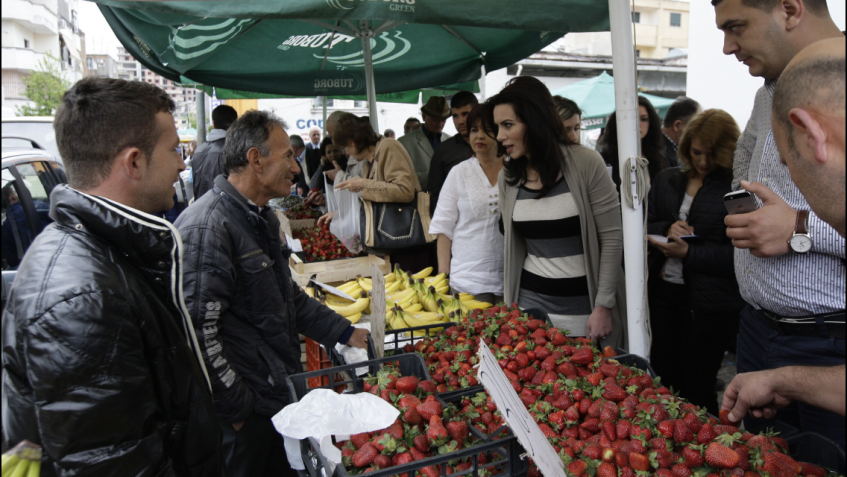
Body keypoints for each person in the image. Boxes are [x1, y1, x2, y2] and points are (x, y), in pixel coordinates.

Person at [2, 76, 223, 473]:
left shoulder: (102, 253)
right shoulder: (85, 298)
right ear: (134, 162)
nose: (182, 164)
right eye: (174, 149)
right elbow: (113, 461)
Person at [175, 110, 369, 477]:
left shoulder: (257, 216)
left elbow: (286, 296)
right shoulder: (209, 228)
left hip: (271, 395)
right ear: (255, 160)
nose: (296, 168)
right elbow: (197, 336)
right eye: (287, 157)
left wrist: (345, 332)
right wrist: (239, 410)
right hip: (246, 414)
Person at [712, 0, 845, 445]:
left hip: (830, 341)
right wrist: (749, 206)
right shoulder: (765, 92)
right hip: (758, 328)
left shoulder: (839, 79)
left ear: (789, 9)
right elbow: (744, 165)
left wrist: (799, 228)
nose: (728, 46)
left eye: (736, 26)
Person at [492, 76, 626, 347]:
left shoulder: (586, 162)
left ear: (535, 121)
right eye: (497, 127)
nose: (499, 136)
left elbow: (612, 238)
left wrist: (603, 305)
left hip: (585, 313)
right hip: (530, 314)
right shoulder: (508, 176)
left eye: (508, 125)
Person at [646, 109, 744, 416]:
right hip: (662, 295)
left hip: (709, 306)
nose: (703, 161)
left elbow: (742, 255)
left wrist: (690, 253)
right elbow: (645, 223)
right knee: (662, 383)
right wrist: (667, 229)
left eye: (712, 154)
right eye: (696, 152)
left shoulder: (737, 190)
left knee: (698, 389)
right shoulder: (667, 179)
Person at [320, 113, 430, 271]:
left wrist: (363, 184)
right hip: (390, 241)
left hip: (407, 243)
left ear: (353, 143)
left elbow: (405, 191)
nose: (345, 153)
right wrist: (341, 213)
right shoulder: (369, 163)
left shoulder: (389, 147)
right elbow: (374, 202)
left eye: (344, 148)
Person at [429, 104, 505, 305]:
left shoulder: (514, 171)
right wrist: (443, 275)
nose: (479, 136)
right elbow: (444, 227)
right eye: (474, 130)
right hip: (467, 280)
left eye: (487, 130)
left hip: (510, 278)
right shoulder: (459, 172)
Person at [599, 96, 666, 191]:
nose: (638, 124)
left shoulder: (658, 159)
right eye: (632, 118)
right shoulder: (605, 159)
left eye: (644, 119)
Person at [427, 91, 479, 207]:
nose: (460, 121)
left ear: (476, 112)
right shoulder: (443, 150)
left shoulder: (493, 144)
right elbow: (434, 194)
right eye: (455, 116)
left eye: (465, 114)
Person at [399, 97, 451, 190]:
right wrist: (439, 175)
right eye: (436, 120)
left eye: (443, 120)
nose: (440, 124)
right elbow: (401, 177)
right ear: (424, 117)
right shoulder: (404, 143)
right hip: (419, 197)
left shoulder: (450, 140)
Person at [192, 104, 238, 199]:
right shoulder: (234, 149)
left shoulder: (198, 150)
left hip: (200, 205)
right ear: (235, 124)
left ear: (214, 123)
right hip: (223, 206)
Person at [661, 96, 702, 168]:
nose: (699, 132)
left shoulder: (670, 148)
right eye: (695, 126)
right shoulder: (659, 152)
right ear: (677, 125)